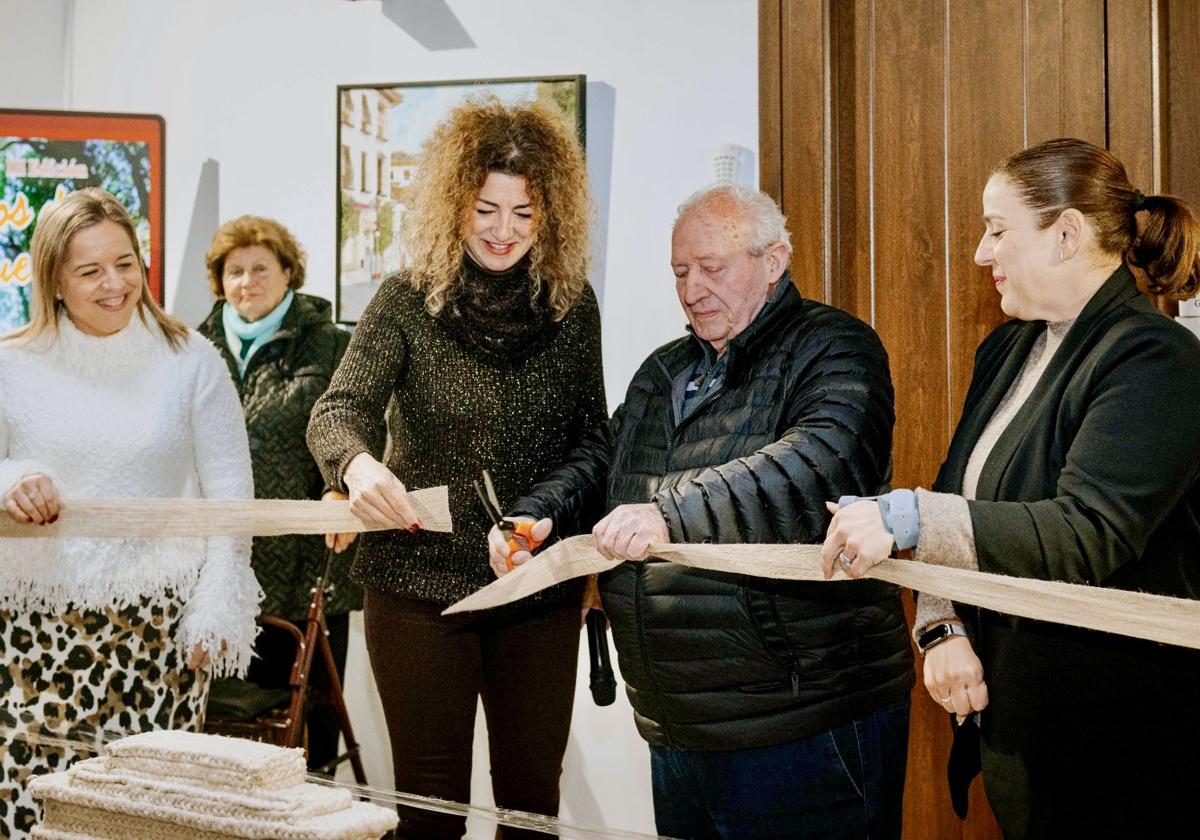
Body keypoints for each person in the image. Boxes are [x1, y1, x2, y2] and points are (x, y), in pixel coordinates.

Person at [491, 184, 914, 840]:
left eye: (712, 268)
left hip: (803, 726)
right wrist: (535, 515)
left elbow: (819, 464)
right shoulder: (663, 371)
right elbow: (604, 457)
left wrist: (666, 512)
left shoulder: (835, 346)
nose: (692, 290)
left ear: (774, 261)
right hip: (679, 729)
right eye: (680, 272)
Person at [822, 138, 1200, 838]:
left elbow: (1084, 533)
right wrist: (941, 626)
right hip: (1016, 733)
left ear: (1066, 235)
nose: (980, 253)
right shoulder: (1006, 348)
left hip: (1124, 751)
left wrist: (906, 515)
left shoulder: (1156, 358)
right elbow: (954, 499)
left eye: (997, 230)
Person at [307, 96, 605, 839]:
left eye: (524, 213)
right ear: (453, 205)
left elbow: (593, 444)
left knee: (530, 811)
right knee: (431, 813)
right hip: (416, 591)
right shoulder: (405, 300)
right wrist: (358, 466)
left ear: (551, 215)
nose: (504, 230)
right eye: (486, 209)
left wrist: (539, 516)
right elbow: (337, 411)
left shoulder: (573, 308)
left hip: (535, 588)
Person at [0, 188, 259, 835]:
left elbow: (231, 497)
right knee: (31, 814)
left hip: (156, 635)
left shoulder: (191, 361)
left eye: (125, 263)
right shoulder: (13, 363)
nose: (114, 284)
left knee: (146, 817)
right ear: (54, 280)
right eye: (90, 271)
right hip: (31, 634)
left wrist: (217, 604)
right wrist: (11, 480)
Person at [196, 215, 359, 773]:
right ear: (220, 281)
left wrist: (341, 488)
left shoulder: (331, 343)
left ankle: (317, 805)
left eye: (261, 268)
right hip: (224, 560)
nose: (248, 282)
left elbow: (359, 426)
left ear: (288, 272)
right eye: (234, 271)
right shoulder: (195, 348)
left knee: (309, 716)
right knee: (227, 725)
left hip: (310, 558)